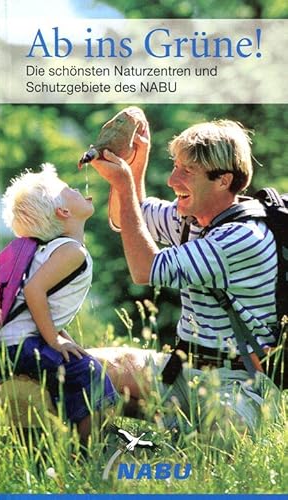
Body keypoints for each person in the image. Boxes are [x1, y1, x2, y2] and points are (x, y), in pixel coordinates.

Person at [89, 118, 280, 440]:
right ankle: (106, 452)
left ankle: (170, 441)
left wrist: (123, 182)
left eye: (187, 171)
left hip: (239, 385)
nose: (172, 179)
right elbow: (128, 218)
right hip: (182, 371)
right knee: (80, 372)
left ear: (223, 180)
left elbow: (145, 270)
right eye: (175, 166)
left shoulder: (241, 237)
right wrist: (137, 159)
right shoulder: (192, 218)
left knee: (220, 443)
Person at [0, 163, 117, 445]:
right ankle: (92, 456)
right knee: (91, 378)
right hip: (20, 346)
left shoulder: (50, 250)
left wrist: (64, 339)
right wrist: (54, 340)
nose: (76, 189)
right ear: (63, 212)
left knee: (78, 363)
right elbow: (33, 291)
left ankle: (65, 446)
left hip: (13, 343)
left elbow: (36, 306)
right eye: (69, 190)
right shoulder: (71, 251)